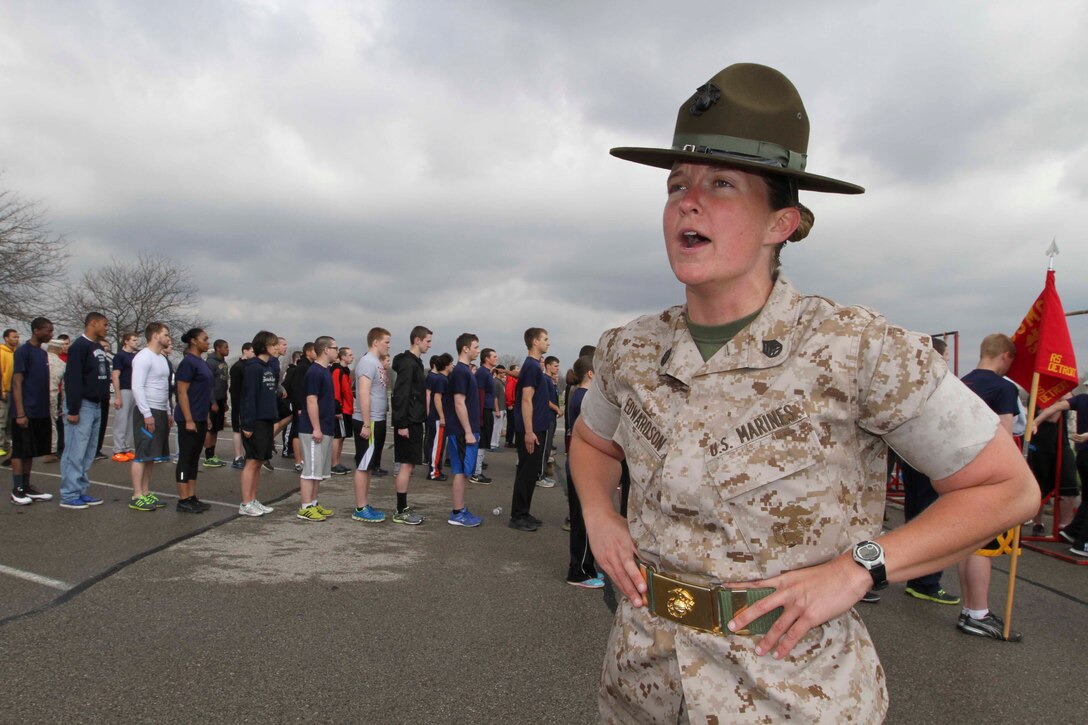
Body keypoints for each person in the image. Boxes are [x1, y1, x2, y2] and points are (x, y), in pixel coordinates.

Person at [568, 63, 1038, 722]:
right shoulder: (630, 349)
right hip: (641, 677)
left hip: (790, 693)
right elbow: (590, 441)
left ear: (780, 223)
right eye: (677, 185)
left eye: (721, 184)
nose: (686, 202)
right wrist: (600, 515)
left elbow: (1008, 487)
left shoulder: (858, 349)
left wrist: (861, 566)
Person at [956, 333, 1025, 640]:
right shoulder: (1004, 388)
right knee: (984, 545)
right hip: (990, 473)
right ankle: (978, 613)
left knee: (968, 544)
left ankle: (970, 610)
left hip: (959, 472)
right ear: (1005, 357)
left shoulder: (960, 383)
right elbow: (1006, 437)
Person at [897, 337, 960, 605]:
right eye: (944, 358)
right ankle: (924, 580)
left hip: (910, 457)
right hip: (930, 457)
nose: (946, 363)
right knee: (930, 515)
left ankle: (918, 577)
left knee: (916, 511)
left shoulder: (905, 382)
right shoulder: (934, 384)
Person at [59, 313, 111, 509]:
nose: (106, 328)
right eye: (104, 324)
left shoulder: (97, 347)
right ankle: (69, 494)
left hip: (97, 405)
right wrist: (73, 409)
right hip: (82, 405)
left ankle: (81, 490)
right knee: (75, 451)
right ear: (93, 323)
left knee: (88, 452)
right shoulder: (79, 347)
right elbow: (73, 379)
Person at [1030, 389, 1088, 556]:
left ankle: (1072, 531)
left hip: (1083, 455)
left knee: (1087, 498)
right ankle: (1083, 543)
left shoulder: (1082, 399)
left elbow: (1054, 408)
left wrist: (1035, 422)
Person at [8, 317, 55, 505]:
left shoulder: (42, 353)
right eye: (47, 331)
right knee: (20, 451)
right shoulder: (22, 352)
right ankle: (17, 489)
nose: (50, 334)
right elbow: (17, 382)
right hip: (25, 411)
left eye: (52, 331)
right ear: (36, 331)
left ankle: (27, 486)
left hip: (40, 410)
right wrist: (20, 412)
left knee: (30, 451)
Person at [389, 325, 433, 525]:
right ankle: (400, 510)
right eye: (427, 341)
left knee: (410, 464)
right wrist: (402, 423)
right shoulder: (408, 364)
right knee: (406, 465)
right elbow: (401, 394)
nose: (429, 345)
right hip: (408, 422)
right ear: (417, 340)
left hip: (415, 420)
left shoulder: (415, 362)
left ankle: (403, 505)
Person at [509, 327, 551, 532]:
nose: (548, 342)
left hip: (537, 428)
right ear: (535, 342)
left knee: (530, 472)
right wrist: (528, 431)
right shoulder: (531, 367)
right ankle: (517, 516)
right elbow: (526, 400)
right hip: (531, 429)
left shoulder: (535, 366)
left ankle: (524, 512)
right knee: (526, 472)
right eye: (545, 339)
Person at [128, 322, 173, 512]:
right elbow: (137, 387)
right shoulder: (142, 357)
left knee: (151, 455)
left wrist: (168, 411)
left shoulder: (161, 359)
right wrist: (147, 414)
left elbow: (164, 388)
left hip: (160, 410)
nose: (168, 338)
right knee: (142, 453)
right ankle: (137, 495)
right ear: (155, 335)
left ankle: (146, 492)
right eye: (165, 334)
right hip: (146, 411)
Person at [564, 354, 600, 588]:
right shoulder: (585, 397)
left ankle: (587, 567)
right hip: (582, 468)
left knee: (583, 520)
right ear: (590, 373)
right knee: (583, 522)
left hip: (578, 465)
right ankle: (579, 572)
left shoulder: (578, 394)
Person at [350, 328, 392, 524]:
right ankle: (360, 507)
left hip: (377, 419)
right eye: (386, 342)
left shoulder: (376, 363)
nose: (388, 345)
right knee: (363, 464)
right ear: (375, 342)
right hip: (369, 421)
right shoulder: (367, 363)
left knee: (368, 466)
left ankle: (364, 503)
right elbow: (363, 394)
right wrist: (366, 423)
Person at [443, 333, 483, 528]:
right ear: (465, 348)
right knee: (461, 471)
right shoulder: (460, 371)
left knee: (462, 471)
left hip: (465, 430)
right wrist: (467, 431)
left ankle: (460, 508)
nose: (478, 350)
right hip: (461, 431)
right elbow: (459, 403)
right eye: (475, 346)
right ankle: (458, 512)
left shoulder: (465, 371)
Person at [173, 328, 214, 513]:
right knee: (186, 458)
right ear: (194, 341)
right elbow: (181, 392)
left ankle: (191, 496)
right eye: (204, 339)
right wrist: (188, 419)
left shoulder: (201, 363)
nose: (208, 341)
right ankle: (183, 500)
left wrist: (205, 417)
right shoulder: (188, 363)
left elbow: (202, 394)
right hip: (188, 419)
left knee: (194, 458)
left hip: (200, 417)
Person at [296, 336, 337, 521]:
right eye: (335, 348)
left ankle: (313, 503)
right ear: (326, 350)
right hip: (313, 428)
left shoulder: (325, 371)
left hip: (326, 426)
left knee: (318, 470)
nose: (337, 351)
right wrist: (316, 428)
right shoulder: (314, 372)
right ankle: (305, 507)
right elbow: (311, 400)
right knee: (310, 470)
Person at [238, 331, 278, 517]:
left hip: (267, 418)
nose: (277, 347)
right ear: (264, 346)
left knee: (260, 460)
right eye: (274, 344)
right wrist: (247, 424)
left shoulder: (269, 366)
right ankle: (245, 503)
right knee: (252, 461)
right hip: (255, 421)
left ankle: (253, 499)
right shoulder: (253, 368)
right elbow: (249, 397)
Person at [470, 347, 498, 484]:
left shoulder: (487, 373)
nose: (496, 358)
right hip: (483, 411)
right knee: (481, 443)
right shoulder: (482, 373)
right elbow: (479, 395)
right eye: (494, 356)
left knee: (484, 442)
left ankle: (477, 471)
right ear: (486, 358)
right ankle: (476, 473)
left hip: (487, 410)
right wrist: (480, 417)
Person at [110, 332, 139, 462]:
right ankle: (118, 449)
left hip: (134, 390)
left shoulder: (135, 356)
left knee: (130, 421)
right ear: (126, 341)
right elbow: (115, 375)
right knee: (121, 421)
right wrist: (118, 396)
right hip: (124, 390)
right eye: (133, 340)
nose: (136, 342)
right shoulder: (119, 356)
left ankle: (126, 448)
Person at [425, 353, 453, 481]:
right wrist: (442, 417)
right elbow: (437, 398)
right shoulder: (441, 379)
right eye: (451, 363)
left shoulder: (443, 379)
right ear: (447, 365)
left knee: (439, 446)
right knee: (437, 446)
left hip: (439, 418)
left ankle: (437, 469)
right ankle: (434, 472)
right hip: (437, 418)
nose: (452, 366)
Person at [203, 338, 230, 468]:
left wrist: (224, 401)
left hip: (220, 399)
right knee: (210, 428)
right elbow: (209, 385)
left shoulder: (224, 363)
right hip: (211, 400)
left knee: (216, 429)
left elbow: (223, 384)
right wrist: (212, 402)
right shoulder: (210, 362)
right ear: (218, 348)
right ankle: (207, 456)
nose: (227, 350)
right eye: (225, 347)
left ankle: (212, 454)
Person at [229, 342, 254, 469]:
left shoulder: (252, 366)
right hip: (239, 402)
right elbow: (234, 389)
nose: (254, 354)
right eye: (252, 351)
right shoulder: (237, 367)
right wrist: (237, 404)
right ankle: (238, 456)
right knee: (237, 428)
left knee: (247, 428)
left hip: (249, 402)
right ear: (245, 351)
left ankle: (246, 454)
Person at [330, 346, 354, 475]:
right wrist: (337, 408)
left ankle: (337, 462)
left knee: (342, 437)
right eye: (349, 355)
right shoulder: (337, 371)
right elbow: (336, 391)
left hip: (347, 408)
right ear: (343, 356)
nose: (352, 357)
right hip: (341, 409)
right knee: (337, 437)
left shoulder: (346, 371)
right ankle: (333, 464)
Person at [0, 328, 18, 462]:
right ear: (6, 338)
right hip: (5, 391)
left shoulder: (16, 352)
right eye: (14, 337)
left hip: (14, 391)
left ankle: (7, 445)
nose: (16, 339)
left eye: (17, 337)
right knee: (2, 419)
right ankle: (1, 446)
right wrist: (2, 391)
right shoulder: (2, 352)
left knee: (10, 421)